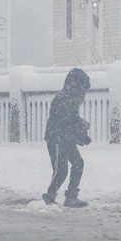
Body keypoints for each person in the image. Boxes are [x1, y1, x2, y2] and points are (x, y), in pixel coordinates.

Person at [43, 68, 92, 208]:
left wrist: (81, 134)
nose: (83, 94)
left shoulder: (72, 100)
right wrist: (79, 126)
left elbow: (72, 120)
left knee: (78, 163)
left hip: (66, 138)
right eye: (82, 89)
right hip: (56, 139)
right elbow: (65, 121)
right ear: (73, 86)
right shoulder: (62, 99)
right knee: (61, 169)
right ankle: (49, 196)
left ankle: (71, 197)